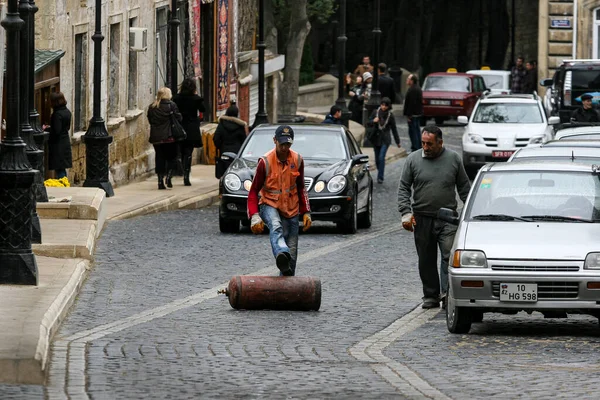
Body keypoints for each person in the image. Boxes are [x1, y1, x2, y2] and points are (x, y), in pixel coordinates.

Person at [397, 125, 471, 309]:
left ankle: (447, 294)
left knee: (448, 256)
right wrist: (406, 212)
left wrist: (471, 212)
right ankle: (430, 295)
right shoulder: (413, 160)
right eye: (423, 143)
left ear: (440, 142)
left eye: (429, 144)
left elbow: (464, 188)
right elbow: (404, 187)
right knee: (426, 259)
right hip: (422, 218)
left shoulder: (453, 159)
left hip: (448, 219)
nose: (426, 147)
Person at [247, 125, 312, 276]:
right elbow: (253, 191)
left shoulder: (297, 159)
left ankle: (287, 285)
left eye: (288, 144)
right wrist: (255, 216)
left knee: (293, 251)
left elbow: (301, 187)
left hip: (292, 207)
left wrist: (306, 212)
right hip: (269, 204)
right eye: (281, 143)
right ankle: (281, 252)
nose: (284, 147)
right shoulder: (265, 162)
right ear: (274, 140)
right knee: (276, 226)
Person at [173, 78, 206, 186]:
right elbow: (203, 109)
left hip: (179, 127)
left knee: (179, 150)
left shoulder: (177, 98)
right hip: (191, 128)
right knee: (188, 152)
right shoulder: (196, 99)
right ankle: (186, 175)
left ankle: (178, 170)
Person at [147, 87, 182, 190]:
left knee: (159, 158)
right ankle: (169, 177)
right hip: (168, 137)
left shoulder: (152, 107)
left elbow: (150, 120)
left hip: (156, 137)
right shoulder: (171, 105)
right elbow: (179, 118)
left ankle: (160, 180)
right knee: (172, 157)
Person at [369, 97, 401, 184]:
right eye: (382, 105)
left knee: (381, 157)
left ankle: (380, 177)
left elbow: (394, 129)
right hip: (376, 138)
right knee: (377, 160)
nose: (383, 107)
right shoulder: (375, 112)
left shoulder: (390, 116)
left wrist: (397, 141)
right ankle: (380, 171)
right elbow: (368, 122)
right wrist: (373, 121)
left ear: (388, 106)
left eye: (385, 105)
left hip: (385, 139)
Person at [213, 104, 249, 179]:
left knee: (224, 171)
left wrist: (220, 146)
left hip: (224, 150)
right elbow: (244, 140)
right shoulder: (240, 126)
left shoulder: (222, 124)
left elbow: (216, 138)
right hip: (237, 151)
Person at [45, 92, 72, 179]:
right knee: (62, 168)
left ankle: (62, 186)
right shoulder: (67, 111)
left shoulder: (57, 114)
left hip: (58, 145)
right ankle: (64, 184)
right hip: (65, 142)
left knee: (59, 169)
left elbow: (57, 130)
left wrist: (47, 128)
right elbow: (66, 127)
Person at [403, 74, 423, 152]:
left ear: (412, 81)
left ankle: (415, 147)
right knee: (417, 130)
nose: (407, 80)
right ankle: (418, 146)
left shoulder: (412, 90)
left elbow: (411, 103)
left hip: (413, 114)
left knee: (413, 131)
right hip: (417, 113)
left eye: (408, 79)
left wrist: (409, 115)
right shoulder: (417, 88)